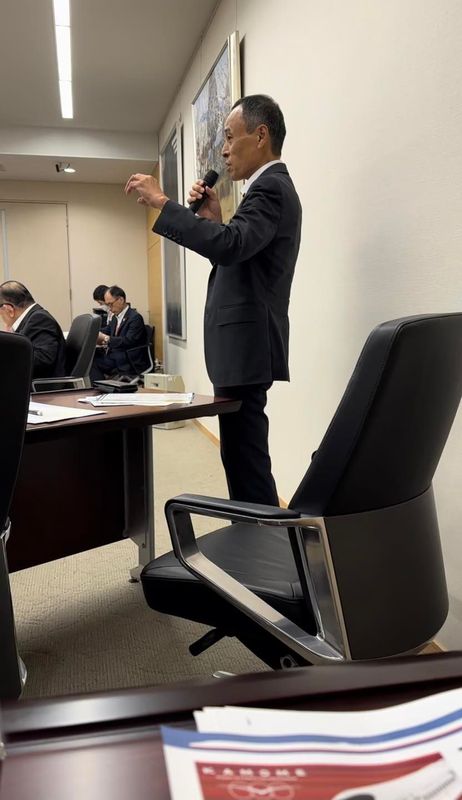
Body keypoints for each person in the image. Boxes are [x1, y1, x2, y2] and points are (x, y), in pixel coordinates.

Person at [125, 94, 302, 506]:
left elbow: (232, 246)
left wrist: (164, 203)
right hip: (244, 345)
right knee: (241, 456)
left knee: (246, 459)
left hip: (247, 344)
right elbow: (238, 252)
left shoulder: (270, 188)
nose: (223, 150)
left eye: (229, 137)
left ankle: (261, 537)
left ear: (261, 135)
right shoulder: (265, 190)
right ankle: (255, 531)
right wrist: (215, 221)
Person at [0, 280, 66, 379]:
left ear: (9, 309)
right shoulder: (32, 319)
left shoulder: (39, 319)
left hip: (40, 385)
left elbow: (44, 358)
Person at [90, 285, 149, 380]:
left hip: (128, 359)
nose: (109, 308)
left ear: (121, 300)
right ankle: (101, 385)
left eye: (110, 304)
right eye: (107, 305)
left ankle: (101, 386)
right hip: (116, 355)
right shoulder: (115, 317)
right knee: (91, 356)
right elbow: (107, 330)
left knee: (92, 363)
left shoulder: (135, 318)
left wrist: (107, 339)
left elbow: (128, 341)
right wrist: (92, 332)